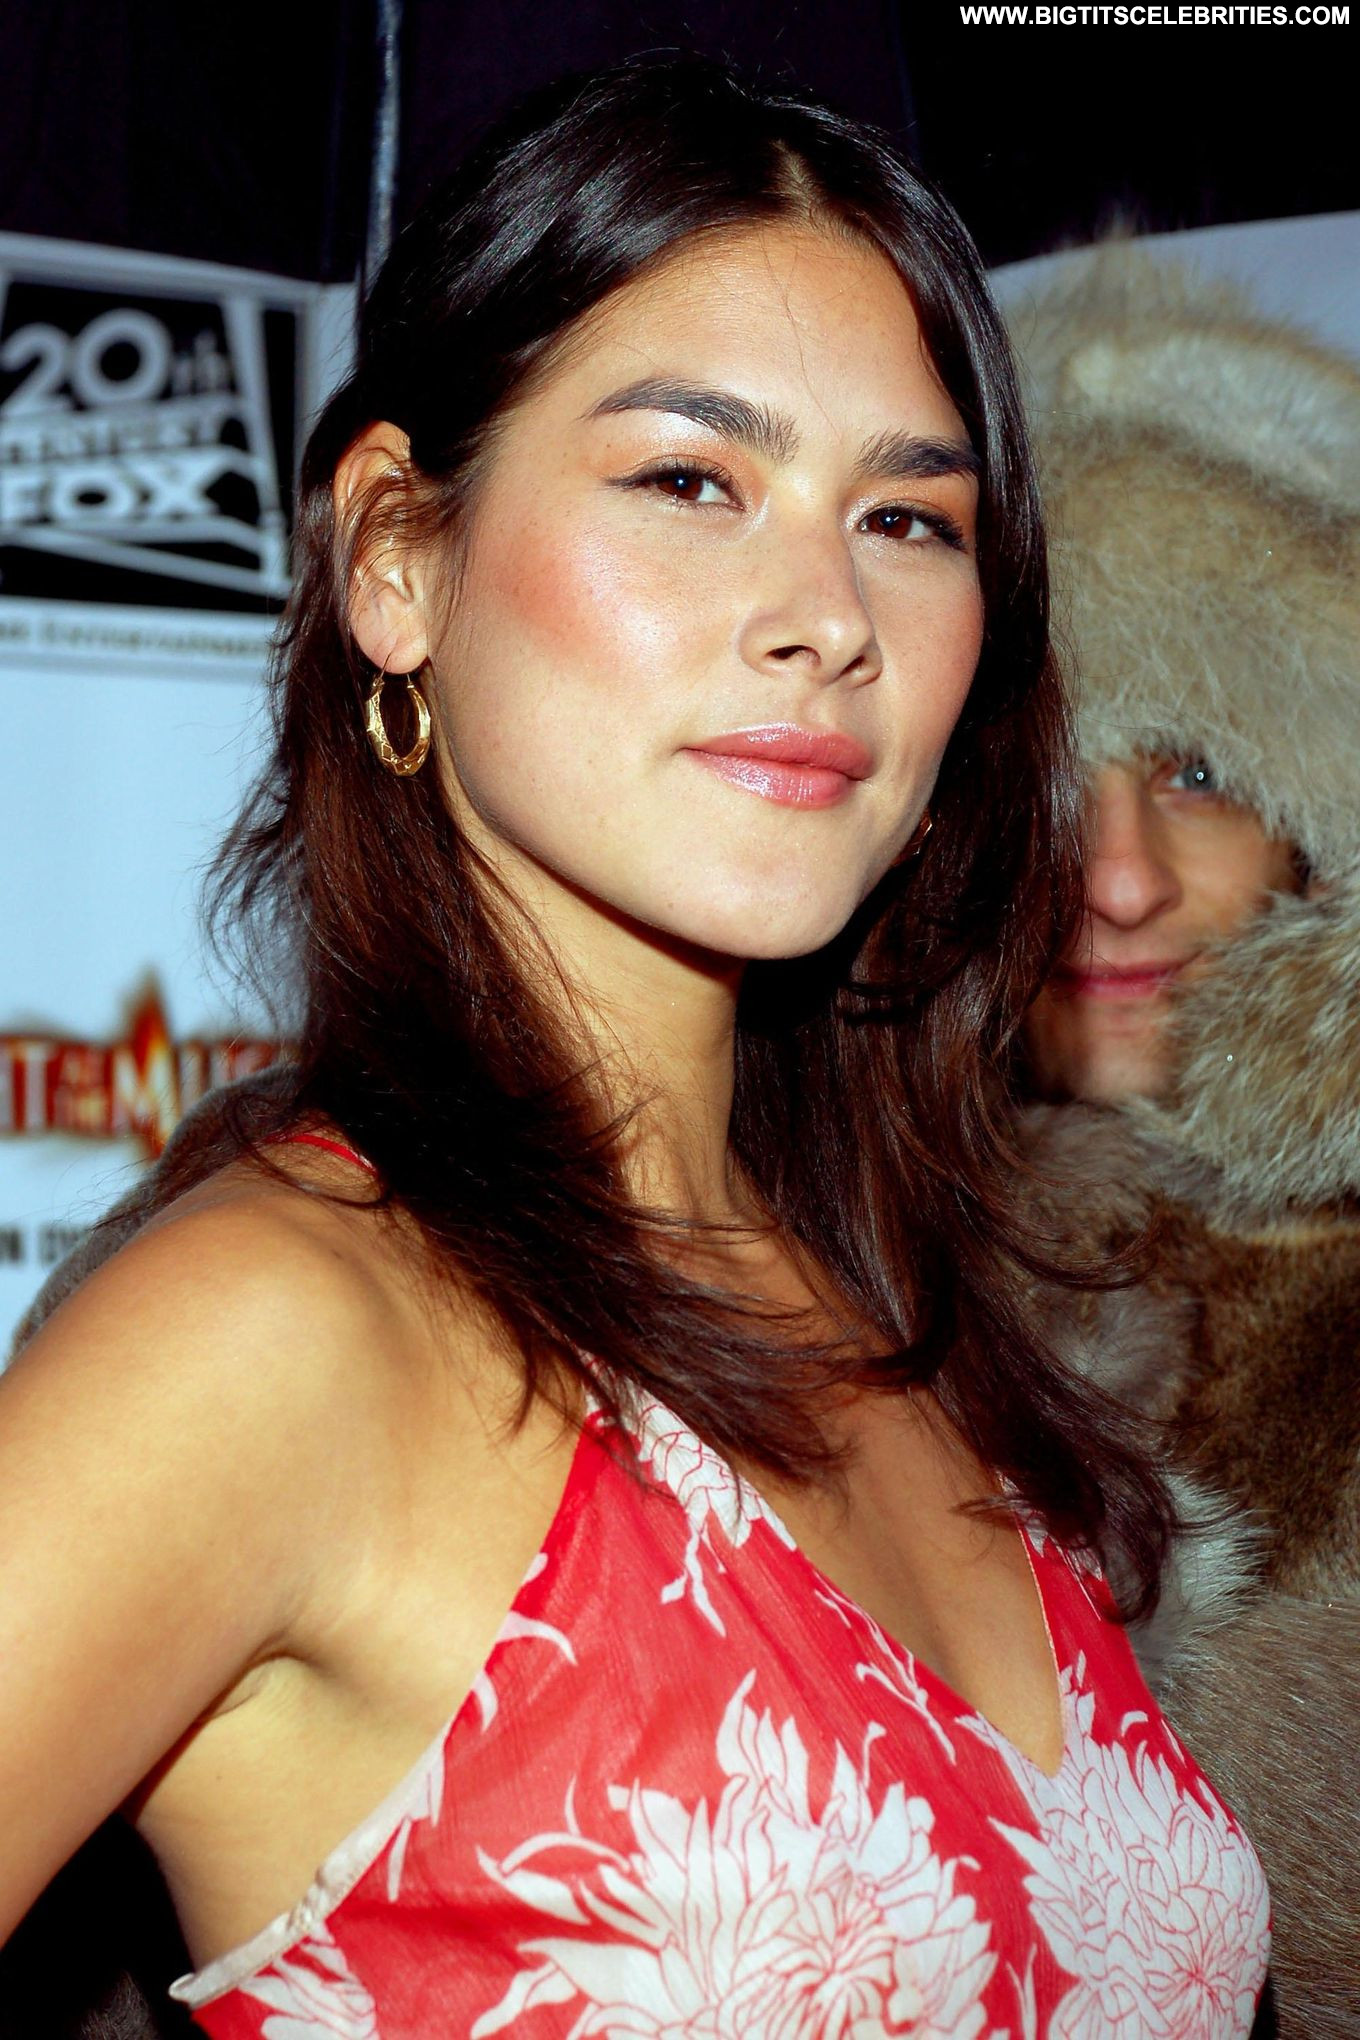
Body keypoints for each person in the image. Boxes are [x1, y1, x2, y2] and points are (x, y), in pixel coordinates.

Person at [1, 63, 1270, 2039]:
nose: (826, 616)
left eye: (906, 518)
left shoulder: (910, 1308)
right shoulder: (266, 1338)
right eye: (689, 480)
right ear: (395, 559)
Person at [1010, 243, 1360, 2034]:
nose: (1122, 877)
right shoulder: (768, 1262)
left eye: (1200, 775)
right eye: (1041, 773)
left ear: (1324, 836)